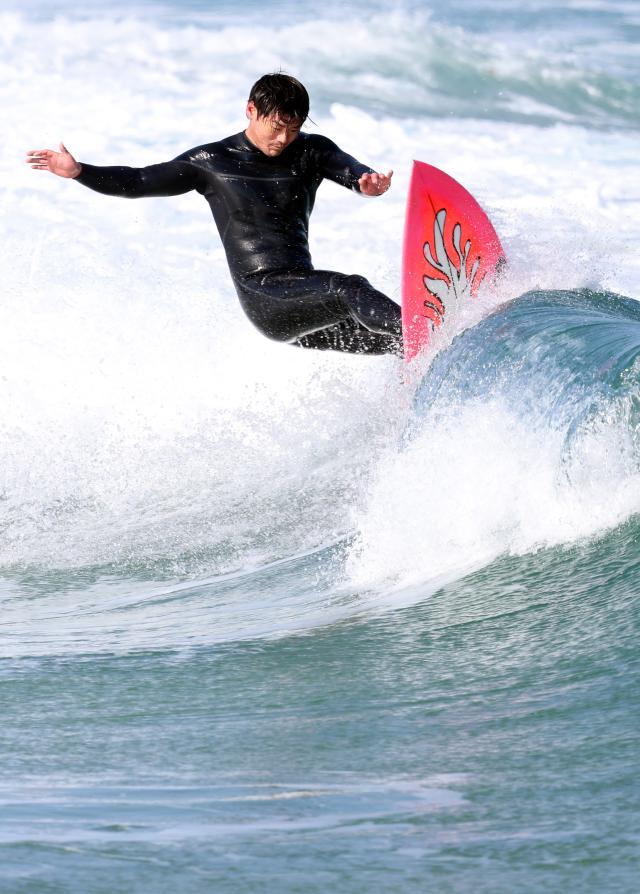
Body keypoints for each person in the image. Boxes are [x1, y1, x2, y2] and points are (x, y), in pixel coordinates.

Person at [26, 73, 402, 356]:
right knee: (351, 287)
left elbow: (350, 169)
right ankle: (421, 329)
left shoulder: (312, 151)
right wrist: (80, 172)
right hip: (265, 297)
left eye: (293, 128)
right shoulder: (212, 162)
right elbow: (139, 179)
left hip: (302, 301)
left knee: (392, 345)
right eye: (276, 126)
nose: (283, 138)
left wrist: (364, 182)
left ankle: (422, 370)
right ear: (251, 110)